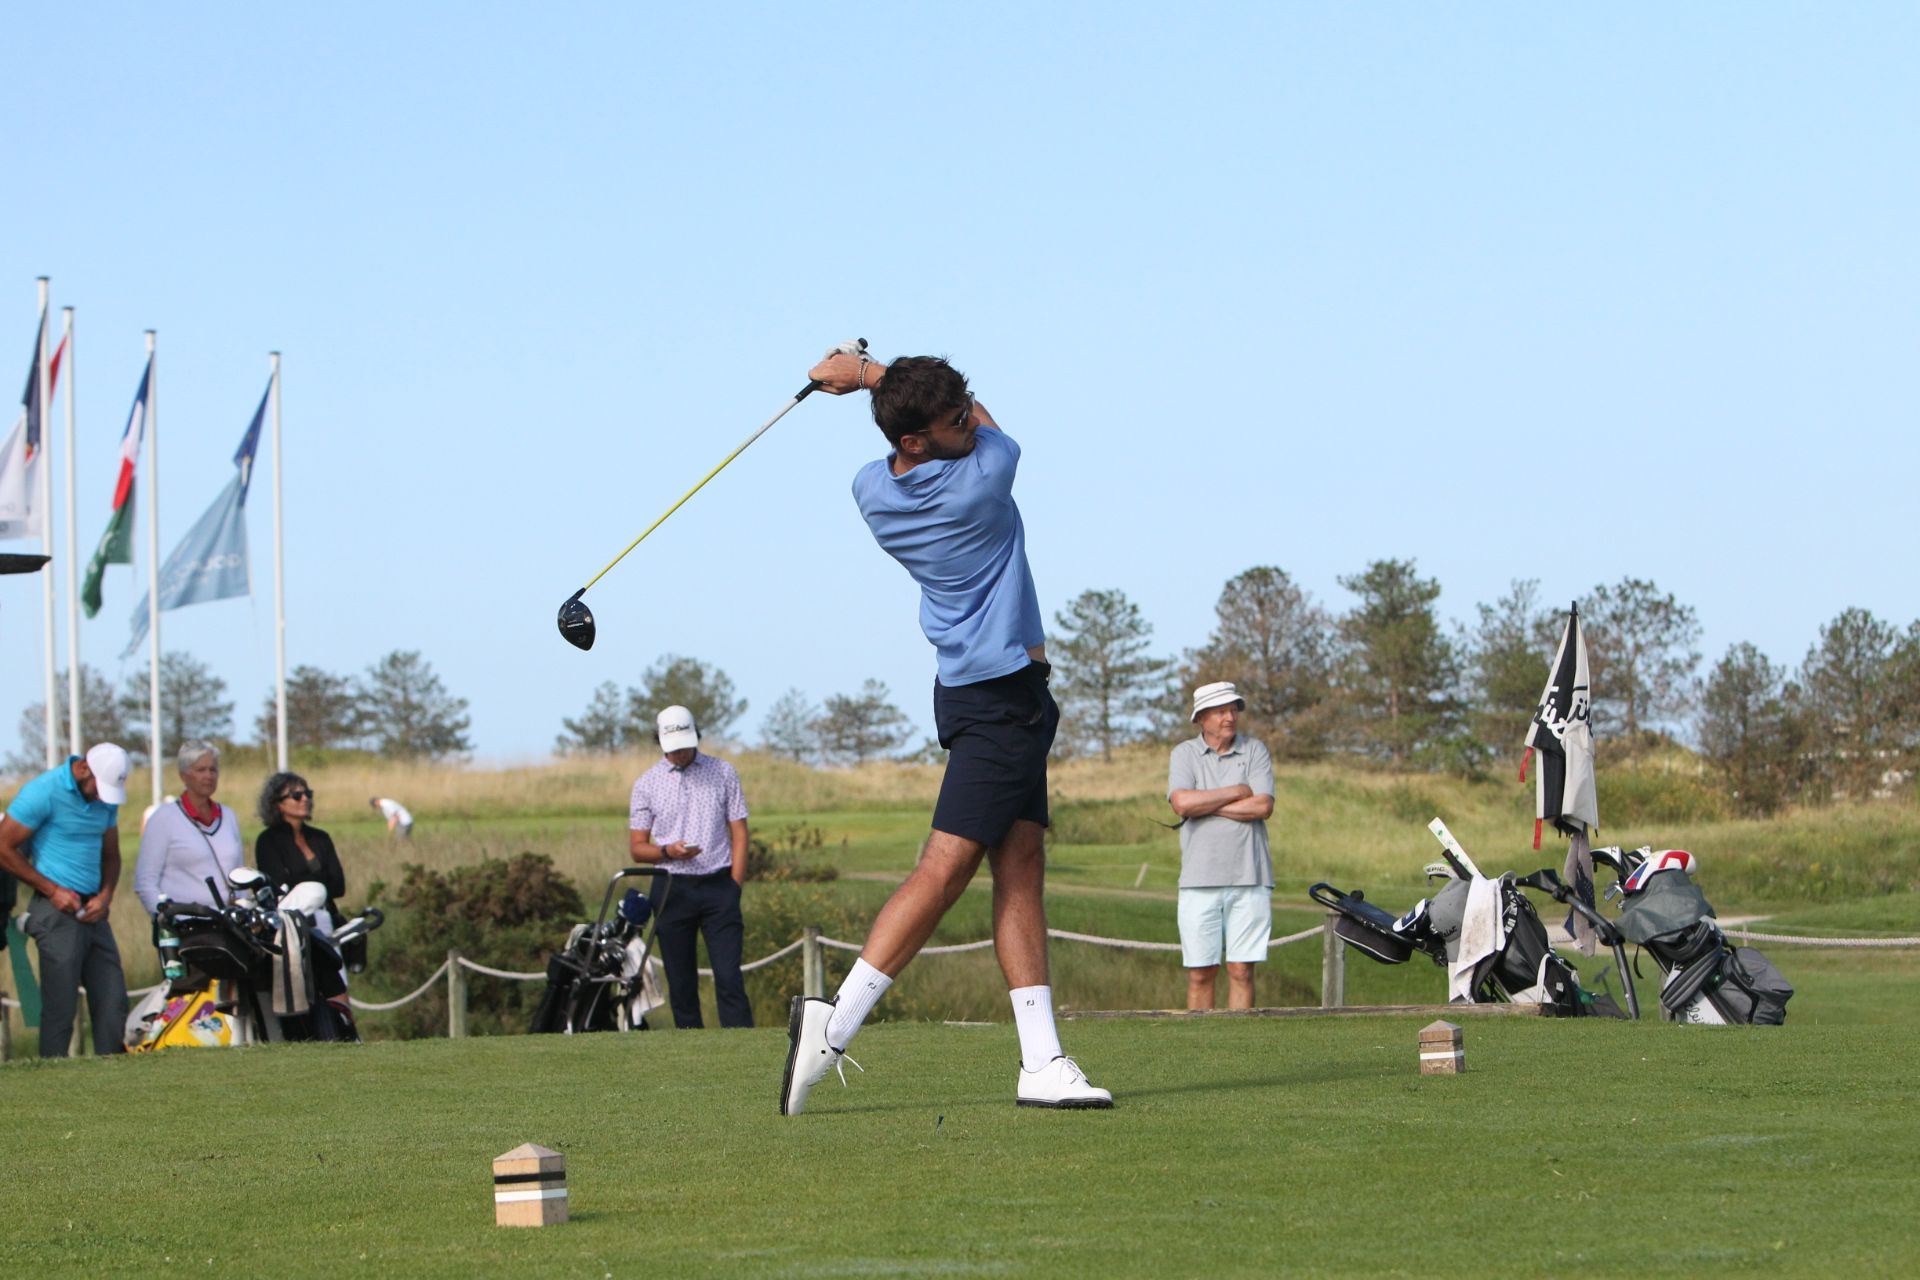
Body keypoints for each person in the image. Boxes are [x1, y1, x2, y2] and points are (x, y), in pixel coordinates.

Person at [781, 347, 1111, 1116]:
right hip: (1000, 700)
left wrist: (875, 384)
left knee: (1020, 865)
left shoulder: (871, 490)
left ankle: (1042, 1060)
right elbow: (994, 429)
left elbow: (941, 422)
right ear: (915, 440)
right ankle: (834, 1025)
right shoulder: (985, 478)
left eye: (966, 407)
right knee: (943, 870)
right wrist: (872, 372)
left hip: (977, 692)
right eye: (953, 418)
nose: (970, 421)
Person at [0, 744, 132, 1057]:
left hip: (94, 910)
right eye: (100, 788)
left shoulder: (105, 800)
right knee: (60, 1007)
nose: (102, 797)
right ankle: (52, 1077)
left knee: (113, 1000)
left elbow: (111, 856)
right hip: (53, 909)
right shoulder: (42, 791)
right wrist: (52, 890)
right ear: (84, 769)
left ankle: (114, 1077)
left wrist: (106, 896)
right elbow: (3, 847)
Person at [628, 705, 752, 1029]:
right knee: (681, 981)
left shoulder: (723, 772)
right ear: (660, 742)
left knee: (728, 976)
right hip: (671, 887)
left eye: (686, 745)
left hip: (719, 885)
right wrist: (667, 851)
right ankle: (691, 1046)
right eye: (674, 748)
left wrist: (735, 885)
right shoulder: (646, 783)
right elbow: (637, 848)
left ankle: (742, 1043)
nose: (681, 753)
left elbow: (739, 832)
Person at [1167, 682, 1276, 1011]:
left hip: (1251, 877)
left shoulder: (1255, 750)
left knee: (1241, 970)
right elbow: (1182, 803)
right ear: (1201, 718)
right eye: (1221, 711)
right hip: (1198, 880)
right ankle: (1201, 1037)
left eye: (1233, 710)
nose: (1230, 717)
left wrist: (1206, 806)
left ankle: (1239, 1037)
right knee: (1201, 973)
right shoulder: (1184, 754)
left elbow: (1263, 806)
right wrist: (1238, 790)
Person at [133, 741, 245, 916]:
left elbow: (240, 875)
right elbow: (145, 882)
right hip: (186, 923)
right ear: (183, 776)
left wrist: (243, 909)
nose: (208, 775)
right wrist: (167, 918)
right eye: (201, 770)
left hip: (229, 923)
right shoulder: (164, 818)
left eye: (213, 769)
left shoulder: (229, 816)